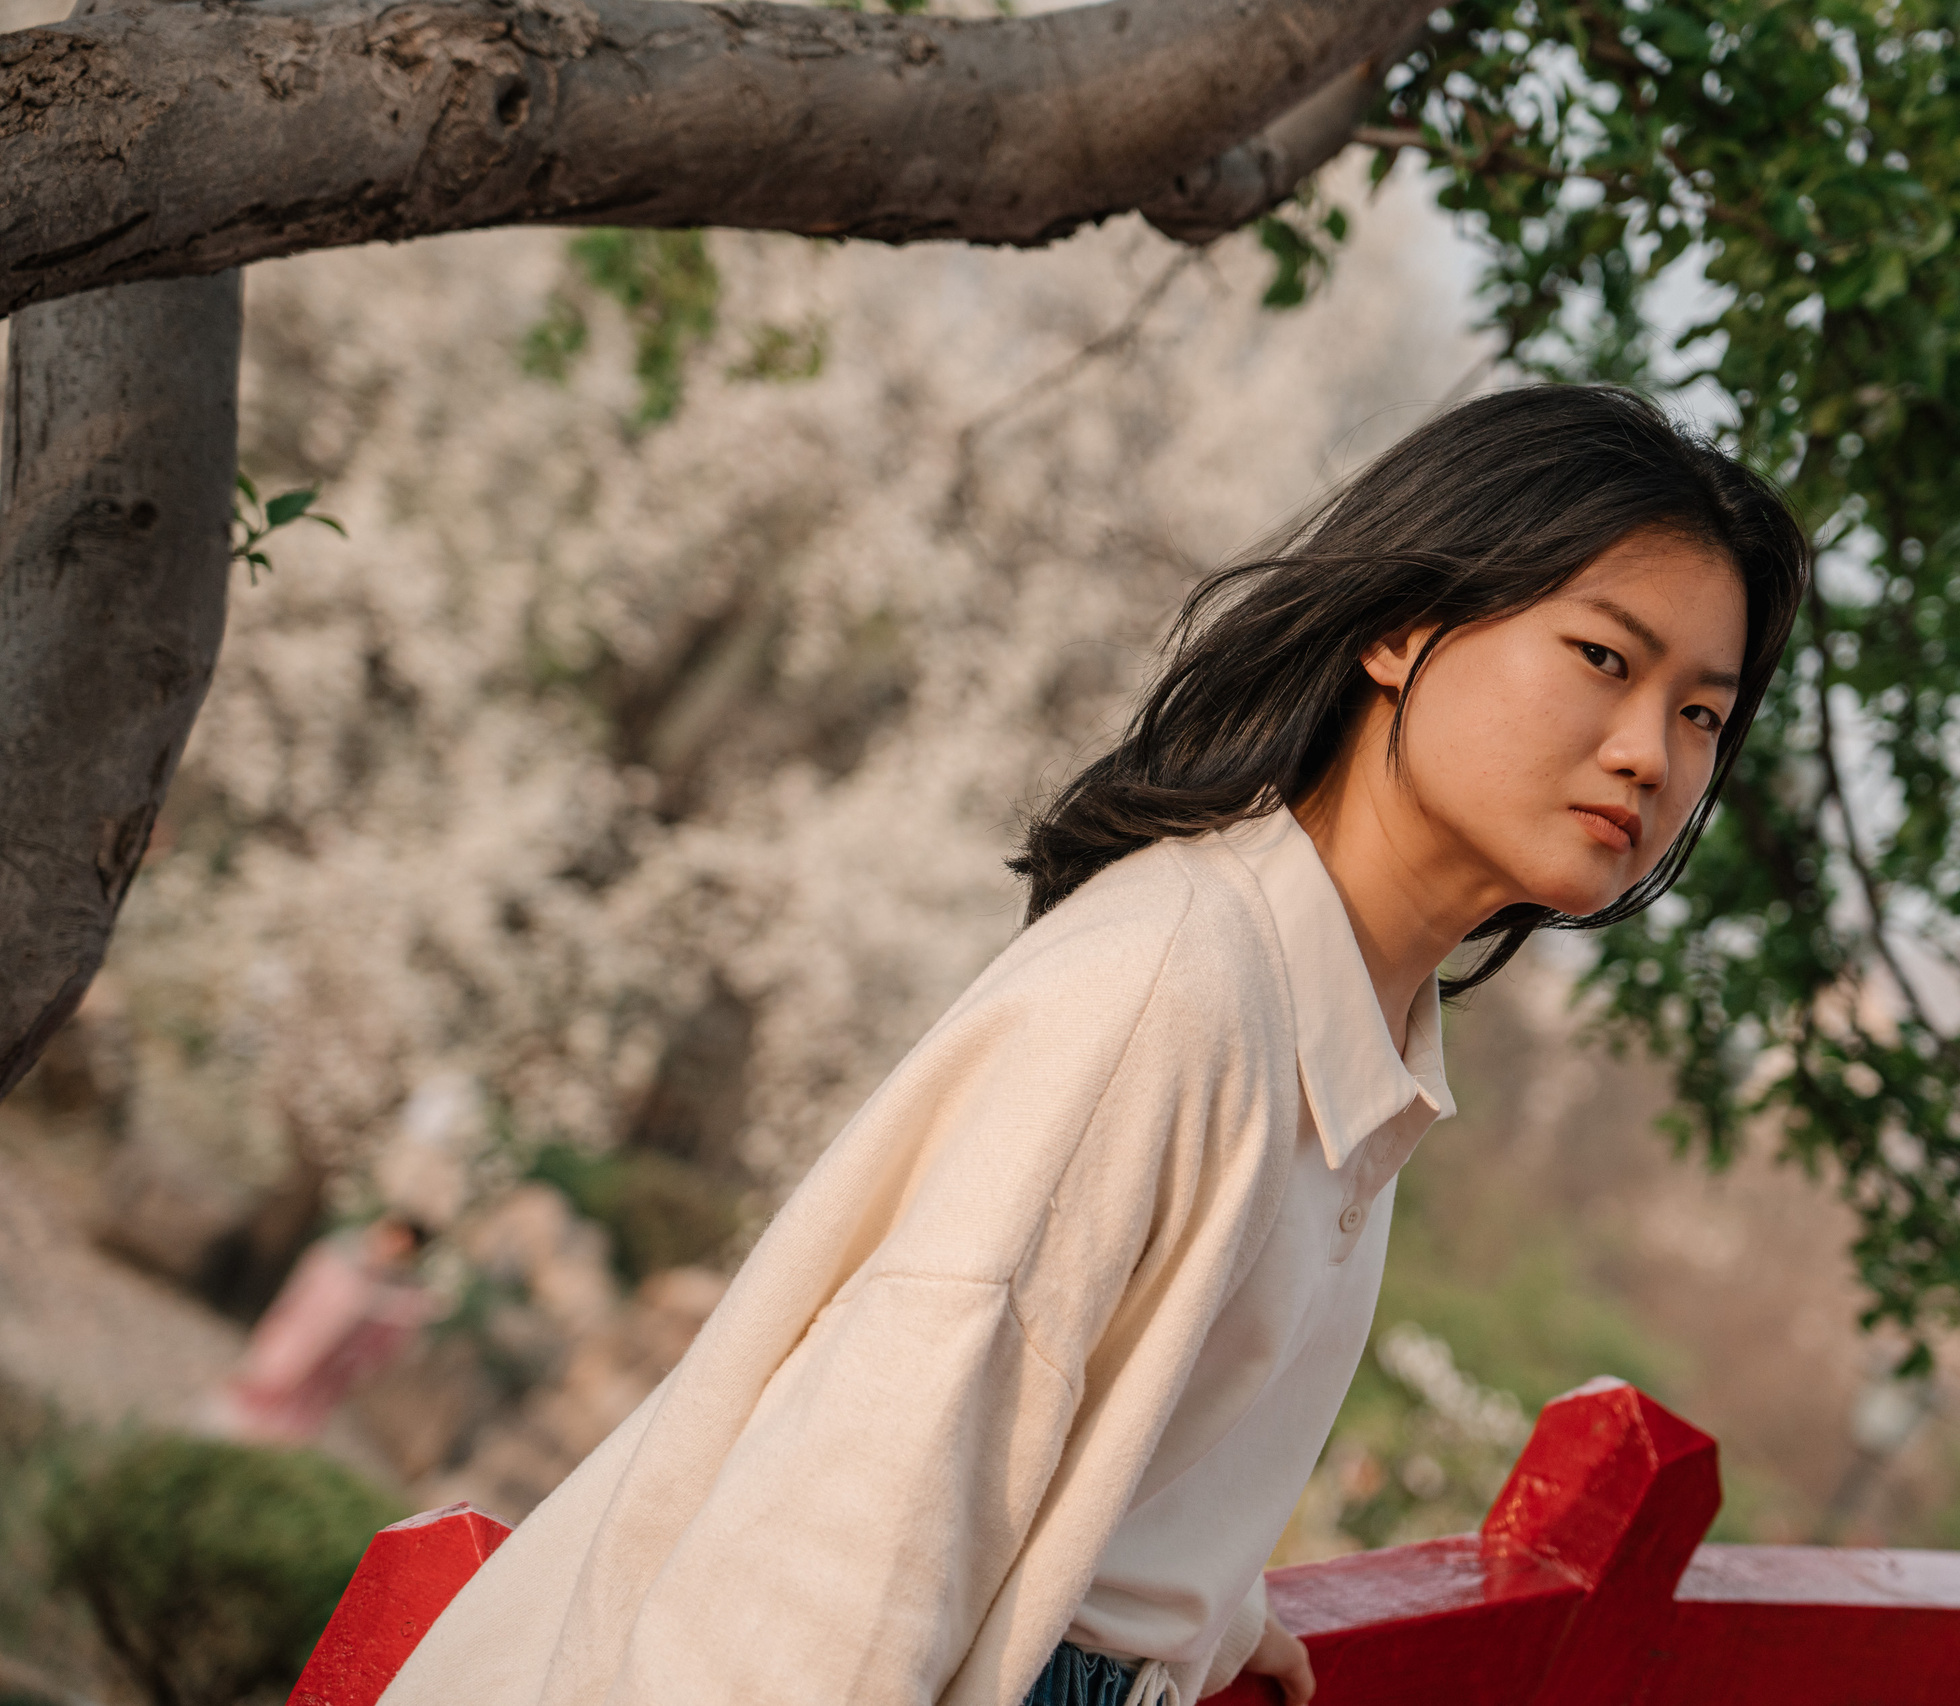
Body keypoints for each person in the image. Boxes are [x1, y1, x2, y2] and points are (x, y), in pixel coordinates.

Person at [381, 385, 1808, 1706]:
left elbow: (1127, 1407)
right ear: (1400, 627)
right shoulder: (1175, 993)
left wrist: (1198, 1602)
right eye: (1602, 658)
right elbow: (851, 1521)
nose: (1648, 753)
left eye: (1700, 714)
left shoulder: (1355, 1026)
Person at [199, 1213, 440, 1445]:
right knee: (251, 1396)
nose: (392, 1247)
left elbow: (383, 1347)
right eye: (393, 1238)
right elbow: (297, 1295)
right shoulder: (337, 1256)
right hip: (291, 1343)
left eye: (402, 1245)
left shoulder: (399, 1296)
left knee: (282, 1425)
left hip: (323, 1372)